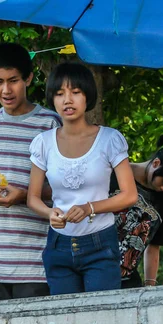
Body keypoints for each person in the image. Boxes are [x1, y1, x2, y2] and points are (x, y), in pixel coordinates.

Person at [0, 43, 62, 301]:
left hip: (34, 258)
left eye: (14, 80)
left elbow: (65, 185)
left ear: (28, 78)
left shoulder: (49, 123)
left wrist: (25, 195)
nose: (6, 90)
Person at [27, 62, 138, 295]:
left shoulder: (109, 139)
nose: (68, 100)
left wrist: (90, 208)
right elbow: (33, 198)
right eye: (60, 94)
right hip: (58, 245)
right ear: (52, 99)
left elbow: (130, 195)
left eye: (75, 92)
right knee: (64, 323)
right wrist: (50, 213)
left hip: (101, 245)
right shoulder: (43, 143)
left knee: (104, 317)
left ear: (88, 96)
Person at [112, 134, 163, 288]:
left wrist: (149, 286)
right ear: (156, 163)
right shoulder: (116, 174)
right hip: (95, 268)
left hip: (128, 280)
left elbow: (154, 246)